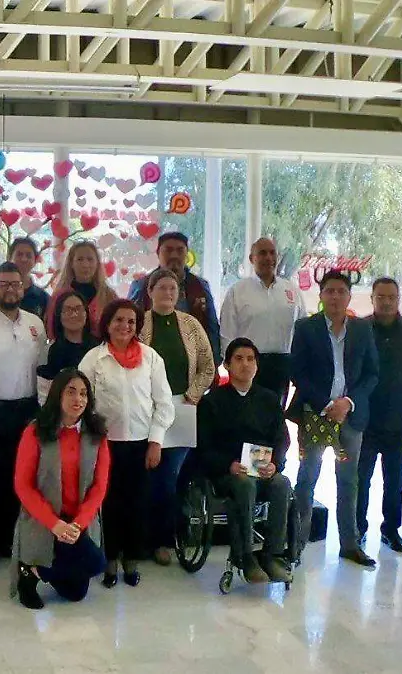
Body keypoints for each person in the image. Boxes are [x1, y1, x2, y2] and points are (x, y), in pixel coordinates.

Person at [78, 299, 174, 587]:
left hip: (141, 445)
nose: (125, 326)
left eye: (131, 321)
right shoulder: (94, 359)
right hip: (105, 446)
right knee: (109, 506)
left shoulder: (151, 358)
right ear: (107, 324)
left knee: (137, 505)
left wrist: (156, 442)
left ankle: (131, 562)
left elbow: (164, 404)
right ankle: (109, 563)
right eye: (119, 320)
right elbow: (82, 403)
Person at [287, 271, 379, 568]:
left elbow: (371, 374)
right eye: (329, 291)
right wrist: (327, 404)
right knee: (307, 477)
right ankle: (297, 544)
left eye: (341, 291)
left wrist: (347, 403)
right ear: (321, 295)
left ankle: (349, 544)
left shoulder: (363, 330)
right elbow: (297, 372)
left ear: (349, 296)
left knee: (348, 481)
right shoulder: (306, 328)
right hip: (315, 414)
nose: (335, 297)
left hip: (350, 418)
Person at [0, 262, 48, 571]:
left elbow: (42, 372)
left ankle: (15, 543)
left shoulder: (35, 324)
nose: (10, 289)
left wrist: (43, 415)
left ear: (24, 287)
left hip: (28, 411)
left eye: (15, 284)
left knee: (24, 481)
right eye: (3, 284)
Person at [197, 339, 294, 584]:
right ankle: (246, 556)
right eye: (238, 359)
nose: (245, 364)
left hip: (262, 468)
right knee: (244, 484)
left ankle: (272, 555)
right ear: (227, 365)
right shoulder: (212, 402)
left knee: (281, 483)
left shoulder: (269, 399)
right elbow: (203, 447)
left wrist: (275, 464)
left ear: (257, 366)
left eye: (250, 359)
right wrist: (227, 464)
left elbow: (282, 439)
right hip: (228, 471)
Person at [11, 369, 110, 609]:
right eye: (71, 392)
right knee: (79, 569)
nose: (79, 400)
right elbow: (23, 485)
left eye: (84, 394)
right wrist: (54, 523)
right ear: (57, 395)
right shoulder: (35, 431)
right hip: (45, 517)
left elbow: (99, 486)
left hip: (77, 521)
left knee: (81, 586)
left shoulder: (96, 434)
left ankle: (35, 571)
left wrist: (78, 524)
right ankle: (28, 576)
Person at [138, 268, 215, 566]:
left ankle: (163, 540)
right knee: (146, 475)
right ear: (150, 291)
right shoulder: (139, 323)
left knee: (170, 478)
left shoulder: (191, 325)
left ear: (179, 293)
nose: (167, 294)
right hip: (145, 410)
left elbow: (208, 367)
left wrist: (192, 395)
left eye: (173, 289)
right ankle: (140, 538)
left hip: (182, 408)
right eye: (162, 288)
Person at [356, 278, 402, 554]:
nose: (386, 302)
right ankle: (358, 528)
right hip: (365, 417)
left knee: (395, 479)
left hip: (398, 416)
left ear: (399, 299)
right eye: (380, 297)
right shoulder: (359, 329)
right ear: (372, 298)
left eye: (392, 297)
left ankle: (390, 529)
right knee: (361, 478)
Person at [219, 237, 306, 402]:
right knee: (246, 415)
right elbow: (226, 332)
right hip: (247, 363)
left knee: (276, 417)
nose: (268, 258)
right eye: (262, 253)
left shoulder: (291, 290)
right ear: (252, 259)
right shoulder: (238, 291)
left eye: (272, 253)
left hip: (282, 365)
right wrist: (232, 365)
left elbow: (302, 329)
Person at [129, 232, 220, 365]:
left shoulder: (200, 286)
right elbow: (130, 323)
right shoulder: (141, 285)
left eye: (180, 250)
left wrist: (213, 362)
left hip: (191, 363)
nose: (174, 256)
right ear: (158, 253)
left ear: (187, 254)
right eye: (168, 250)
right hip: (150, 361)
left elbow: (211, 326)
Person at [46, 241, 117, 341]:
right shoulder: (59, 296)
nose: (85, 264)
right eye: (80, 259)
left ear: (97, 263)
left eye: (90, 259)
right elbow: (51, 331)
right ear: (71, 263)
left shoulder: (109, 296)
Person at [37, 291, 98, 402]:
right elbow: (44, 395)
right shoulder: (50, 350)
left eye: (78, 309)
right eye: (68, 310)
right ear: (59, 315)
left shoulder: (99, 348)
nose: (74, 314)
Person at [0, 237, 50, 318]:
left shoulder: (43, 298)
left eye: (28, 255)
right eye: (19, 254)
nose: (24, 259)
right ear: (9, 257)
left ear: (35, 261)